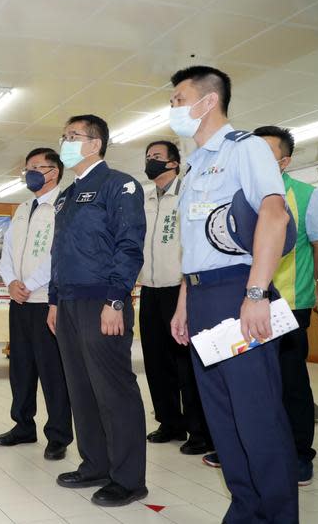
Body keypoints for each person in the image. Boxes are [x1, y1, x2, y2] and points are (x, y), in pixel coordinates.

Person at [169, 66, 298, 523]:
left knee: (256, 414)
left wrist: (257, 292)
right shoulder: (194, 164)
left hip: (239, 292)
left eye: (179, 99)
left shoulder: (245, 149)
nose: (173, 109)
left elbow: (274, 216)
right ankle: (246, 509)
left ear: (208, 101)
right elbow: (195, 245)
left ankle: (278, 515)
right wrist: (185, 301)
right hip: (204, 296)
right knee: (223, 417)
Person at [200, 126, 318, 485]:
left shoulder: (305, 196)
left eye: (265, 152)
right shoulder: (234, 192)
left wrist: (312, 283)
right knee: (247, 384)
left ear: (284, 161)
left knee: (290, 382)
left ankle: (300, 454)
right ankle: (245, 450)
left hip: (287, 304)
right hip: (239, 303)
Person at [47, 114, 147, 507]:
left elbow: (128, 246)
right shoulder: (67, 194)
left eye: (73, 136)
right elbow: (60, 253)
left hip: (102, 301)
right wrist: (54, 301)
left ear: (95, 143)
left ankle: (128, 478)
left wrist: (116, 299)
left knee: (114, 390)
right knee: (81, 388)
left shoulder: (118, 185)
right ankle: (95, 465)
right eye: (64, 135)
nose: (66, 142)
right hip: (69, 303)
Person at [0, 147, 73, 461]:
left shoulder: (65, 206)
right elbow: (7, 253)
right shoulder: (23, 208)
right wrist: (11, 282)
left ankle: (58, 436)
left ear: (54, 171)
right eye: (27, 167)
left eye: (38, 167)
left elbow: (59, 254)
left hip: (46, 302)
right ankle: (23, 426)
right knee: (21, 368)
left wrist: (30, 284)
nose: (31, 172)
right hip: (20, 301)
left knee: (52, 371)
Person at [138, 141, 212, 455]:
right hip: (149, 289)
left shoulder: (188, 193)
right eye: (147, 157)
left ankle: (198, 430)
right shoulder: (143, 198)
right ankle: (169, 422)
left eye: (157, 157)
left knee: (185, 363)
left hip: (180, 289)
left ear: (174, 163)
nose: (150, 161)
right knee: (155, 360)